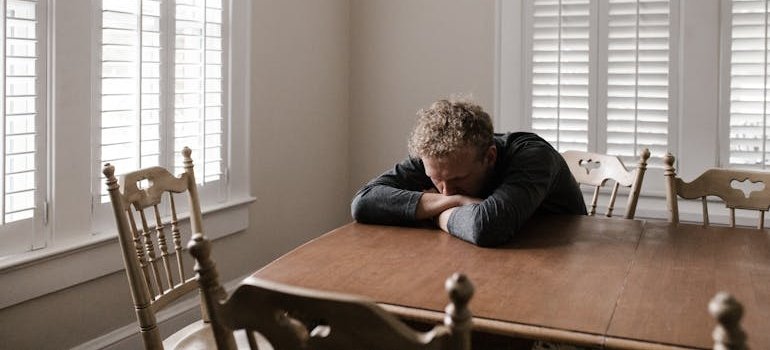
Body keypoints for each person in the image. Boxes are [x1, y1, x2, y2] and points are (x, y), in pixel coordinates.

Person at [351, 98, 587, 247]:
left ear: (490, 157)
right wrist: (458, 201)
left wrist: (435, 213)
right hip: (483, 256)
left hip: (567, 259)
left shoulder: (533, 156)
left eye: (458, 180)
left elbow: (487, 227)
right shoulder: (438, 158)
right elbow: (363, 203)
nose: (445, 191)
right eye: (436, 179)